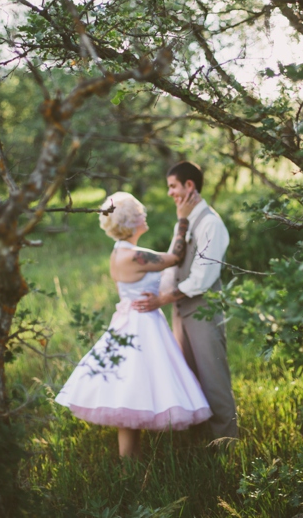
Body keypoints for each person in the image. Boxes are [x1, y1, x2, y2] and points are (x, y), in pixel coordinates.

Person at [55, 191, 211, 458]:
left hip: (131, 320)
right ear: (129, 222)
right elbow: (173, 257)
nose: (144, 215)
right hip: (141, 324)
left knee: (131, 389)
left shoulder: (120, 252)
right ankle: (130, 464)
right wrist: (182, 219)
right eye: (139, 213)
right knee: (134, 387)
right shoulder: (133, 256)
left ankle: (131, 462)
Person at [132, 161, 238, 439]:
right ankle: (199, 440)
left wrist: (163, 299)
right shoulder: (186, 220)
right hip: (180, 310)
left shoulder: (211, 223)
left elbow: (202, 278)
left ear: (189, 186)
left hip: (203, 310)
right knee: (190, 377)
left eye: (172, 186)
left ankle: (226, 443)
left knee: (213, 378)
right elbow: (172, 266)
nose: (169, 193)